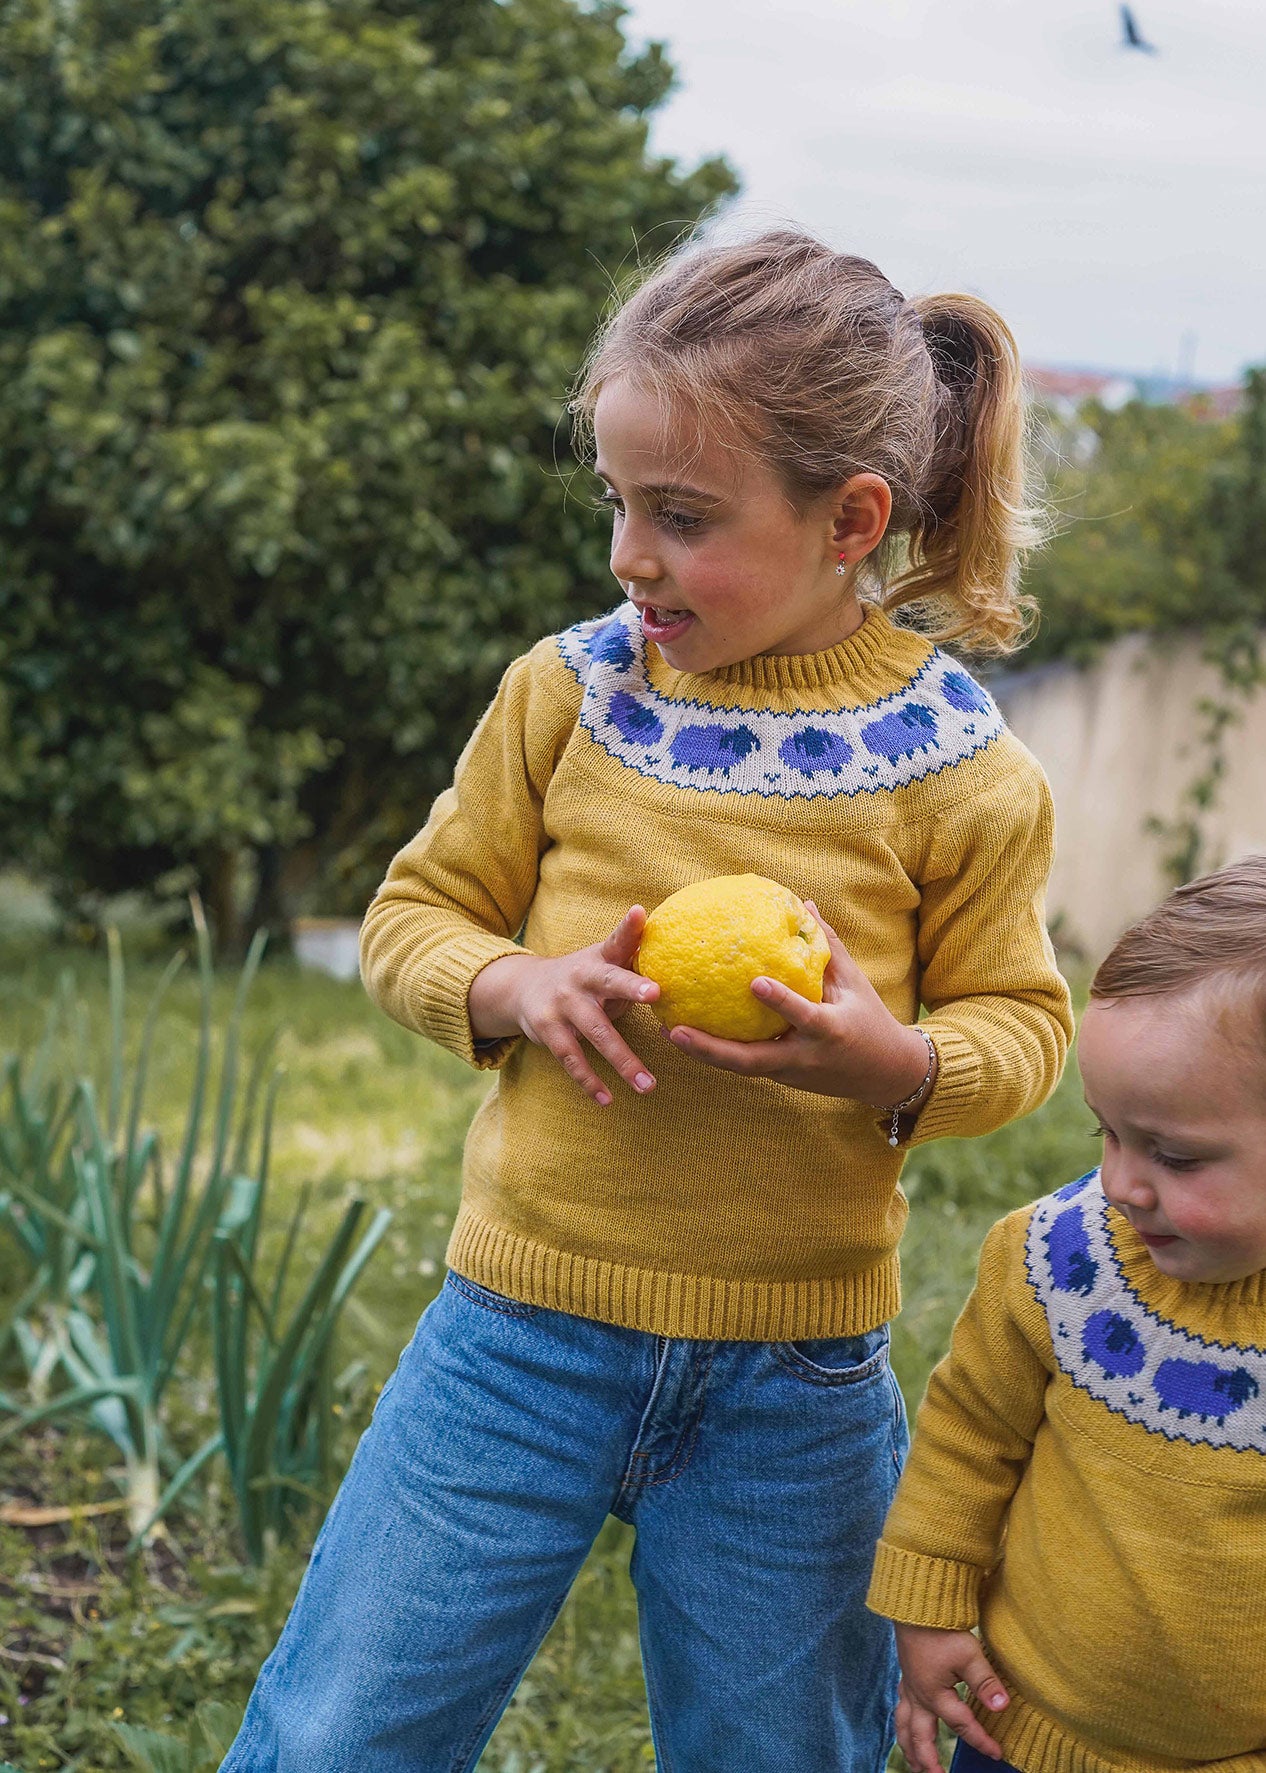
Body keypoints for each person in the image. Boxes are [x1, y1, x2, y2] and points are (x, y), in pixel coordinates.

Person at [221, 228, 1072, 1773]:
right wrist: (508, 980)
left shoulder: (962, 768)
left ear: (850, 518)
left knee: (777, 1751)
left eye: (680, 516)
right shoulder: (570, 693)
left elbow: (1020, 1026)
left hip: (792, 1385)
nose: (628, 552)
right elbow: (417, 911)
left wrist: (889, 1059)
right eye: (618, 501)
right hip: (514, 1336)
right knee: (345, 1725)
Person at [867, 854, 1266, 1773]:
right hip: (1026, 1732)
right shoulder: (1061, 1262)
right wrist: (926, 1610)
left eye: (1174, 1154)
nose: (1123, 1182)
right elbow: (969, 1435)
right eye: (1107, 1131)